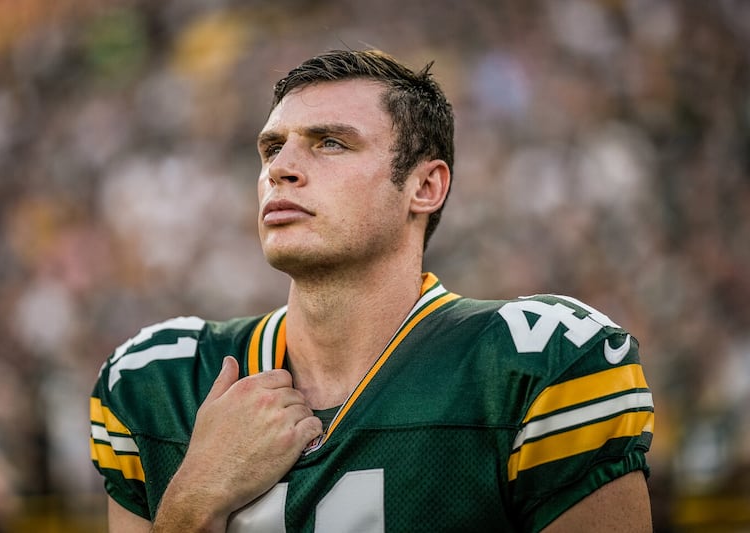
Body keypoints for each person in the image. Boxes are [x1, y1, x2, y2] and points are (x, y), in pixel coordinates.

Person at [90, 49, 654, 532]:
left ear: (425, 186)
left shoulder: (537, 364)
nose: (281, 168)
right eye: (270, 148)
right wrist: (191, 504)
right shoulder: (161, 380)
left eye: (330, 143)